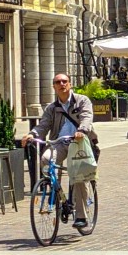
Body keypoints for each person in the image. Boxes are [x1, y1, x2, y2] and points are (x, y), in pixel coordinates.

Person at [26, 72, 96, 230]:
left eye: (64, 81)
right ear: (54, 87)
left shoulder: (82, 101)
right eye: (58, 82)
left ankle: (81, 216)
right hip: (60, 142)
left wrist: (82, 131)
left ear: (70, 84)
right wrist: (32, 134)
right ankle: (57, 194)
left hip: (79, 142)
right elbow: (43, 125)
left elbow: (86, 117)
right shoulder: (52, 108)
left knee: (79, 175)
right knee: (46, 159)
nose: (62, 84)